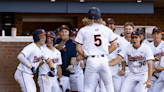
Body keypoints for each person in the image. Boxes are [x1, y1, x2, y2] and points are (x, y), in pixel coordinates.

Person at [75, 7, 117, 92]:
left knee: (88, 88)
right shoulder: (106, 29)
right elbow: (114, 45)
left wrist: (86, 55)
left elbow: (78, 48)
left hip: (91, 59)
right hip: (103, 59)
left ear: (88, 18)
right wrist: (105, 53)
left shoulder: (83, 30)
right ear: (99, 17)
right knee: (109, 86)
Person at [55, 25, 77, 92]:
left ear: (68, 33)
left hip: (65, 72)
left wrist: (72, 65)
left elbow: (73, 57)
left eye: (65, 31)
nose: (64, 33)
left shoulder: (73, 44)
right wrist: (63, 42)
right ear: (59, 33)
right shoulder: (56, 41)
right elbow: (57, 48)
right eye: (62, 32)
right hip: (54, 72)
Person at [148, 27, 163, 92]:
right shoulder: (148, 46)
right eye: (154, 34)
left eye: (158, 33)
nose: (156, 35)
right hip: (153, 75)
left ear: (161, 35)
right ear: (152, 35)